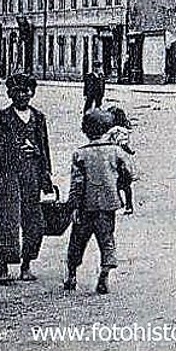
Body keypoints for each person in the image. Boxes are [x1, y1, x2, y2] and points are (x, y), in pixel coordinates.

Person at [0, 71, 53, 284]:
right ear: (10, 94)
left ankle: (26, 265)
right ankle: (3, 267)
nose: (22, 95)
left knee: (34, 222)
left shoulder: (38, 118)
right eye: (17, 91)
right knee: (8, 221)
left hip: (32, 174)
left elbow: (45, 147)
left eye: (26, 91)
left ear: (32, 93)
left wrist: (45, 175)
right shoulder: (0, 119)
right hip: (8, 175)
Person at [63, 107, 135, 294]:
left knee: (77, 241)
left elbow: (76, 184)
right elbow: (129, 174)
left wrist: (73, 206)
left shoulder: (80, 154)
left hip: (85, 205)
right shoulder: (117, 152)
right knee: (107, 239)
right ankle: (104, 275)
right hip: (108, 205)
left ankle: (71, 276)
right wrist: (118, 184)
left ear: (85, 131)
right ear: (109, 129)